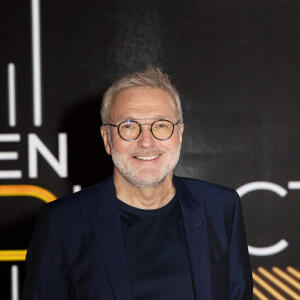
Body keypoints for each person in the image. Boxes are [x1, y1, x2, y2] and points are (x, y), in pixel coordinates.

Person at [22, 66, 253, 299]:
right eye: (129, 127)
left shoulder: (221, 207)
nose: (146, 141)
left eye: (161, 125)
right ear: (107, 138)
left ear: (179, 134)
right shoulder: (63, 222)